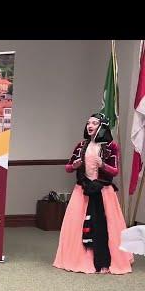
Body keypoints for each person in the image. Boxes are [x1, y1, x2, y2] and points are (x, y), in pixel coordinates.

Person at [53, 113, 133, 274]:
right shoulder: (81, 145)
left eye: (94, 123)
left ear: (102, 126)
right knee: (76, 225)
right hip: (82, 190)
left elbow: (115, 171)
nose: (90, 125)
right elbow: (68, 168)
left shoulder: (111, 146)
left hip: (103, 191)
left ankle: (105, 261)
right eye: (88, 123)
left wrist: (102, 164)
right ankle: (78, 259)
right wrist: (75, 166)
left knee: (107, 225)